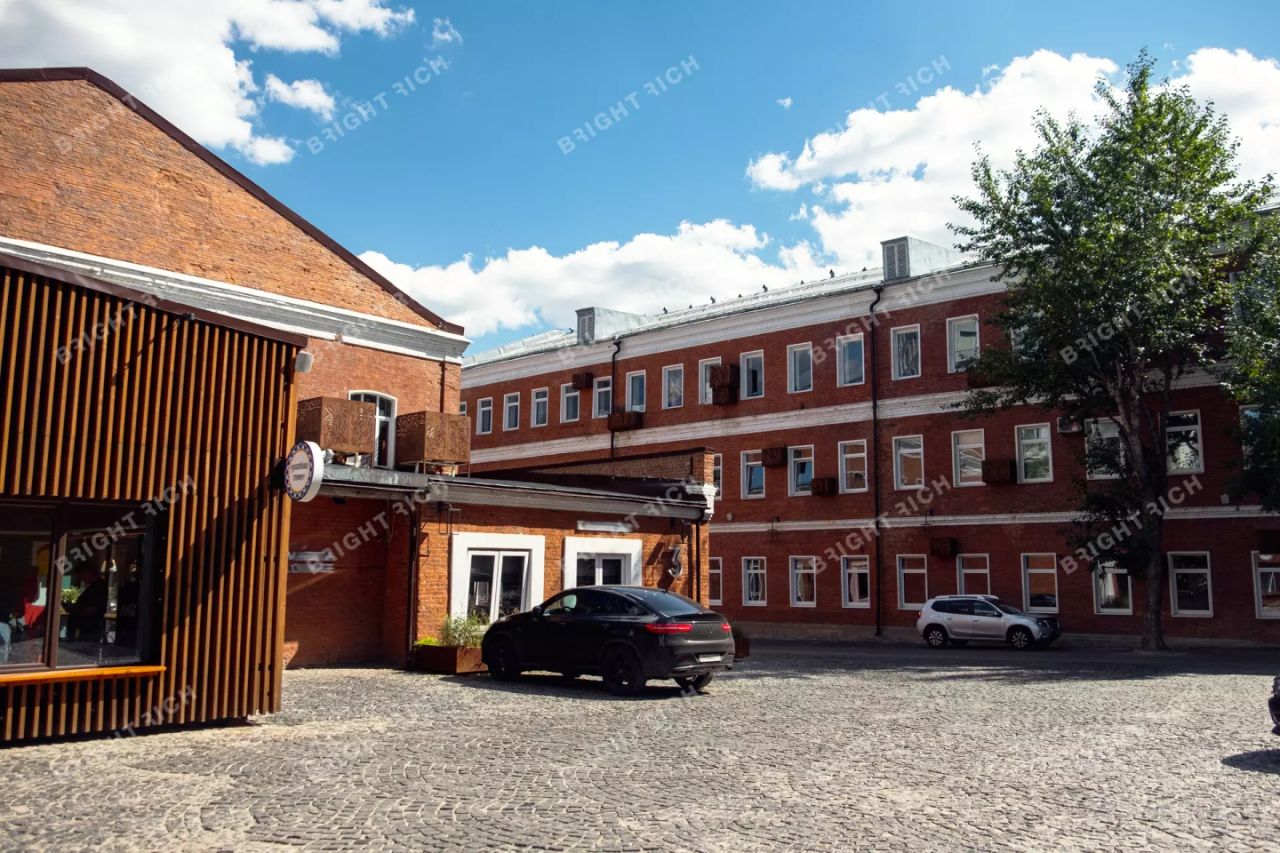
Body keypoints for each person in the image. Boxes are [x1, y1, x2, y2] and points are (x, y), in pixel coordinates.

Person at [66, 564, 108, 643]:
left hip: (88, 630)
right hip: (85, 630)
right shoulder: (93, 587)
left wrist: (74, 608)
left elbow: (91, 609)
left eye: (81, 576)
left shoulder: (98, 587)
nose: (81, 580)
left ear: (87, 572)